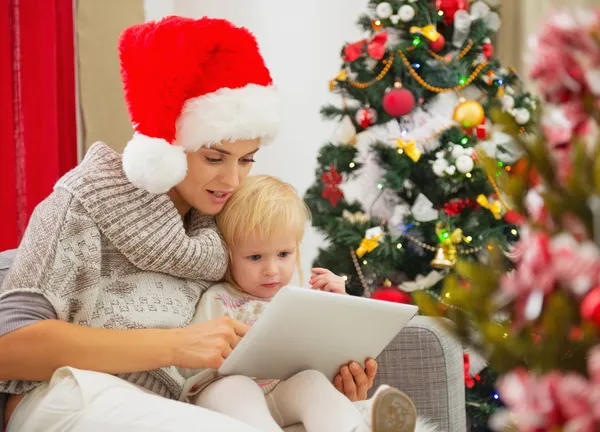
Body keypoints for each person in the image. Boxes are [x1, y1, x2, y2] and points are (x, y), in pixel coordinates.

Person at [0, 16, 378, 432]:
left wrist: (329, 385)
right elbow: (9, 346)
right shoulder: (81, 203)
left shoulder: (225, 225)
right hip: (70, 395)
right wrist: (174, 346)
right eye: (214, 158)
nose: (233, 180)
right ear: (165, 148)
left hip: (189, 405)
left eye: (247, 159)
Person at [181, 175, 418, 432]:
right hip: (222, 396)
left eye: (283, 254)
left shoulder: (299, 302)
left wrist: (339, 306)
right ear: (228, 255)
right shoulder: (218, 298)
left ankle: (356, 426)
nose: (271, 270)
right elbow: (186, 364)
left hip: (279, 395)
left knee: (312, 380)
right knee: (237, 386)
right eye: (255, 257)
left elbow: (331, 353)